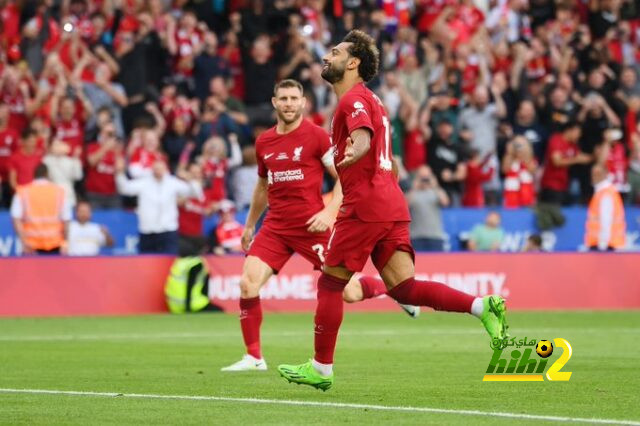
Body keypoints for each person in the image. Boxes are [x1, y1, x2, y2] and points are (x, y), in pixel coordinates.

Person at [278, 31, 508, 391]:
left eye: (335, 52)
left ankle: (321, 369)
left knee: (330, 282)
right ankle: (482, 306)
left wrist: (356, 151)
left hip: (365, 205)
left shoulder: (352, 100)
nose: (328, 56)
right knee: (403, 288)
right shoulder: (374, 100)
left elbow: (365, 138)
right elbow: (393, 160)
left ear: (352, 63)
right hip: (390, 202)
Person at [221, 79, 417, 373]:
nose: (288, 103)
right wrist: (250, 225)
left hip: (312, 223)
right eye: (283, 98)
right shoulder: (264, 142)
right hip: (275, 226)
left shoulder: (316, 137)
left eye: (293, 98)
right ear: (275, 103)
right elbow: (263, 186)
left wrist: (329, 211)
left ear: (303, 103)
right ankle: (254, 357)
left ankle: (392, 289)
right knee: (248, 283)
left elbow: (343, 175)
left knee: (348, 293)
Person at [115, 158, 203, 254]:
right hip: (147, 230)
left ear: (165, 169)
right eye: (156, 168)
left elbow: (195, 193)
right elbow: (124, 188)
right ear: (152, 169)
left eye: (161, 168)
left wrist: (191, 179)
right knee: (146, 263)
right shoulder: (144, 182)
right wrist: (119, 173)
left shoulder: (172, 182)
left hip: (168, 229)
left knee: (169, 262)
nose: (158, 171)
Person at [10, 163, 71, 255]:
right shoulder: (59, 192)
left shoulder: (23, 192)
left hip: (30, 245)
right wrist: (65, 242)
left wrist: (24, 241)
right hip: (55, 244)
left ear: (34, 175)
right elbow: (66, 220)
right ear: (47, 174)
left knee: (30, 270)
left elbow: (16, 219)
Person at [406, 165, 449, 251]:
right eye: (422, 177)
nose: (424, 180)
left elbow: (445, 202)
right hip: (416, 237)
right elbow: (404, 205)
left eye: (427, 177)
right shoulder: (412, 193)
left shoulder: (436, 192)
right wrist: (414, 187)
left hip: (435, 236)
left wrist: (435, 186)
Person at [584, 164, 626, 251]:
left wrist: (602, 244)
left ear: (605, 174)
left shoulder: (606, 193)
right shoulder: (601, 191)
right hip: (603, 243)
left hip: (606, 245)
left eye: (598, 173)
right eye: (593, 173)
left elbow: (606, 220)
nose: (594, 176)